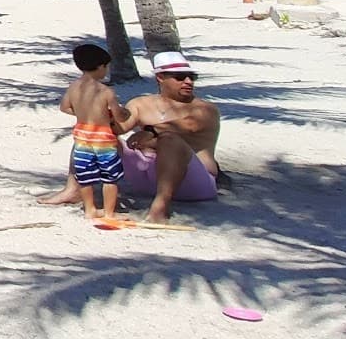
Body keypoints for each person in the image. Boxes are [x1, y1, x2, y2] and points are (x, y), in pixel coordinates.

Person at [39, 51, 222, 222]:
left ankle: (160, 207)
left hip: (194, 185)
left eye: (192, 77)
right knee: (94, 133)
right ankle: (73, 190)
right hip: (147, 179)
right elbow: (118, 127)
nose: (188, 81)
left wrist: (150, 132)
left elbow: (188, 125)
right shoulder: (142, 103)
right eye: (180, 77)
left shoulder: (205, 109)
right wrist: (95, 114)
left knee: (169, 140)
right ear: (160, 77)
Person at [64, 44, 127, 220]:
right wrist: (124, 113)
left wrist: (82, 114)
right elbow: (119, 116)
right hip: (103, 139)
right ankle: (109, 213)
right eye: (106, 67)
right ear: (100, 66)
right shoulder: (105, 91)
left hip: (81, 136)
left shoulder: (74, 87)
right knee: (110, 177)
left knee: (85, 175)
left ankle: (90, 209)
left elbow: (64, 107)